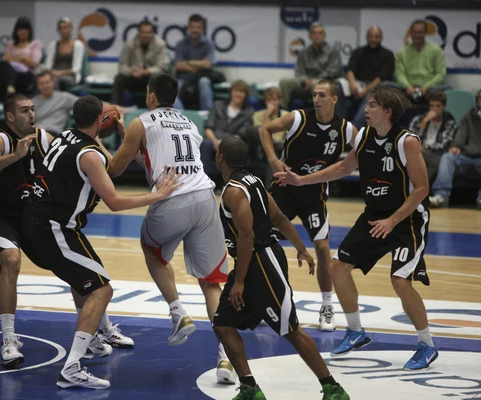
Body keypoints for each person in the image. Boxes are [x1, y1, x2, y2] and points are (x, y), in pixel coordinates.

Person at [21, 95, 180, 389]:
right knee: (101, 289)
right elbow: (115, 201)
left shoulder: (68, 136)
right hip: (53, 229)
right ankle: (72, 368)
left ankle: (94, 336)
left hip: (44, 222)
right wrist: (158, 195)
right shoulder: (89, 154)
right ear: (100, 121)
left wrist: (120, 136)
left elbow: (105, 159)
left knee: (85, 278)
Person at [277, 87, 439, 371]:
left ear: (387, 111)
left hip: (407, 219)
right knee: (338, 267)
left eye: (373, 105)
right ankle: (355, 331)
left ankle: (427, 344)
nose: (366, 109)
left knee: (400, 281)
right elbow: (342, 168)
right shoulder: (363, 136)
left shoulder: (407, 142)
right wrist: (302, 180)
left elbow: (423, 188)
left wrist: (393, 221)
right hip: (374, 216)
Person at [106, 73, 236, 385]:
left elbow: (114, 169)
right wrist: (133, 141)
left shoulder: (142, 122)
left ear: (150, 96)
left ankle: (178, 312)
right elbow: (157, 161)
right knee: (212, 284)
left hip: (172, 202)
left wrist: (107, 142)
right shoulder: (189, 122)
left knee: (152, 249)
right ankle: (226, 358)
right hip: (206, 198)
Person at [213, 135, 350, 400]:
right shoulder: (253, 181)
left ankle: (332, 387)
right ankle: (250, 388)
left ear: (221, 158)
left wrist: (239, 281)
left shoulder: (233, 190)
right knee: (223, 323)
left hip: (262, 263)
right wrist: (301, 247)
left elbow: (247, 236)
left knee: (290, 329)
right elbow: (279, 216)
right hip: (252, 262)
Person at [260, 79, 357, 331]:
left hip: (313, 193)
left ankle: (327, 306)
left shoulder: (346, 129)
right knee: (261, 242)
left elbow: (365, 149)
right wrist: (273, 160)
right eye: (314, 94)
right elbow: (265, 130)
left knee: (323, 248)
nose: (316, 99)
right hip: (283, 190)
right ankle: (261, 299)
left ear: (334, 99)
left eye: (322, 95)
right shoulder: (297, 119)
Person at [0, 93, 53, 366]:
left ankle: (98, 329)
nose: (31, 114)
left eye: (32, 109)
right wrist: (15, 155)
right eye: (24, 110)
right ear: (10, 117)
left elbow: (69, 159)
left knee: (68, 258)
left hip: (32, 215)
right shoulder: (0, 138)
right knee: (10, 259)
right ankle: (8, 339)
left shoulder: (43, 138)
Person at [429, 89, 481, 209]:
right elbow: (461, 134)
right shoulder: (469, 116)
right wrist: (456, 146)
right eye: (480, 98)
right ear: (477, 100)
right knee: (448, 157)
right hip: (466, 155)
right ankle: (441, 196)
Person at [279, 23, 342, 109]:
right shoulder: (304, 52)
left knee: (316, 84)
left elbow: (333, 71)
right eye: (314, 33)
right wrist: (305, 80)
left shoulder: (333, 51)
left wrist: (315, 79)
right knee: (284, 81)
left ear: (324, 35)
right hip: (306, 82)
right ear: (309, 36)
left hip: (326, 82)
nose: (317, 35)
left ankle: (318, 114)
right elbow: (299, 71)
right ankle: (282, 111)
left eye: (320, 33)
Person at [342, 25, 394, 126]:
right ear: (367, 37)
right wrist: (353, 84)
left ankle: (355, 127)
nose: (373, 39)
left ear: (381, 38)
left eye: (376, 36)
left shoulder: (388, 54)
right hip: (357, 85)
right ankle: (338, 124)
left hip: (376, 87)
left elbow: (381, 78)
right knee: (338, 88)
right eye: (371, 36)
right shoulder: (358, 52)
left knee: (373, 94)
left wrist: (365, 91)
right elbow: (350, 70)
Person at [111, 20, 169, 106]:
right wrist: (131, 71)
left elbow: (163, 67)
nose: (146, 35)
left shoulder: (160, 44)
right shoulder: (129, 44)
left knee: (161, 79)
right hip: (134, 77)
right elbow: (122, 66)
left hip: (151, 79)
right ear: (138, 33)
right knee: (119, 78)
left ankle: (159, 111)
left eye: (148, 32)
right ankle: (115, 108)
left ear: (153, 33)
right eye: (143, 32)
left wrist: (145, 71)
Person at [408, 90, 457, 182]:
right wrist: (425, 122)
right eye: (431, 106)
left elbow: (444, 144)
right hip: (417, 152)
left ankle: (417, 188)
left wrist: (425, 147)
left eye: (438, 106)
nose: (434, 109)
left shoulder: (449, 122)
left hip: (435, 153)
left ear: (444, 106)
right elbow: (409, 138)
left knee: (433, 161)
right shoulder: (419, 119)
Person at [395, 20, 448, 102]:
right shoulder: (401, 53)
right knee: (386, 87)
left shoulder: (437, 51)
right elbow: (399, 74)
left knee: (448, 89)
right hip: (407, 89)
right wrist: (407, 86)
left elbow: (441, 74)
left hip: (429, 89)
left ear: (425, 33)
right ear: (410, 33)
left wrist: (426, 87)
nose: (417, 35)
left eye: (420, 32)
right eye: (414, 32)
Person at [172, 14, 216, 111]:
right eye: (192, 27)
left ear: (202, 29)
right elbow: (178, 65)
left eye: (198, 27)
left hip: (201, 77)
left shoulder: (208, 44)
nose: (195, 30)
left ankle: (206, 115)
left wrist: (187, 62)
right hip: (183, 78)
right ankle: (182, 119)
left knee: (204, 82)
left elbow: (208, 64)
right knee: (171, 92)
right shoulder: (181, 43)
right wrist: (200, 64)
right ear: (188, 28)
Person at [0, 17, 42, 99]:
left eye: (25, 29)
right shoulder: (10, 44)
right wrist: (22, 58)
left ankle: (10, 88)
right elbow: (4, 60)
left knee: (7, 69)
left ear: (29, 31)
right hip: (11, 74)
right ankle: (10, 88)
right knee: (3, 65)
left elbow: (34, 63)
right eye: (20, 29)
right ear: (16, 31)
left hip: (27, 75)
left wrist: (12, 58)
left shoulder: (34, 44)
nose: (23, 32)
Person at [44, 17, 85, 91]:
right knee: (41, 79)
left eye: (65, 27)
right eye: (60, 28)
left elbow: (76, 68)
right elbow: (48, 65)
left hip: (69, 76)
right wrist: (52, 73)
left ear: (71, 28)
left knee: (58, 81)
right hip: (53, 74)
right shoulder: (53, 44)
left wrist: (59, 73)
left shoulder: (78, 45)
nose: (63, 30)